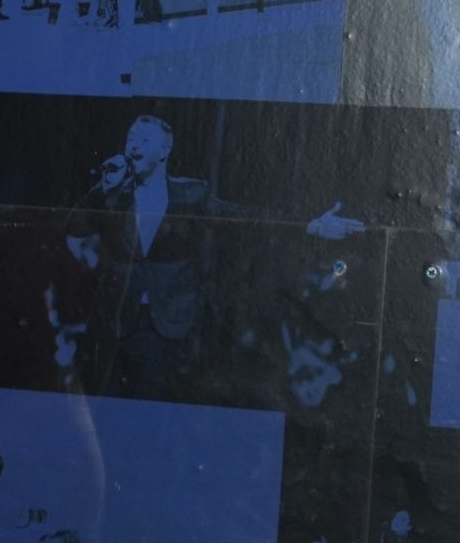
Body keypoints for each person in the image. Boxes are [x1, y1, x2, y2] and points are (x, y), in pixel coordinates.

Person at [59, 115, 361, 401]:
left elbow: (244, 219)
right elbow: (73, 227)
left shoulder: (191, 193)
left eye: (144, 140)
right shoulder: (113, 194)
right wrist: (101, 190)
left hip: (166, 323)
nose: (133, 145)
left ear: (164, 150)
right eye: (130, 138)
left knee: (148, 404)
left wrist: (311, 225)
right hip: (111, 323)